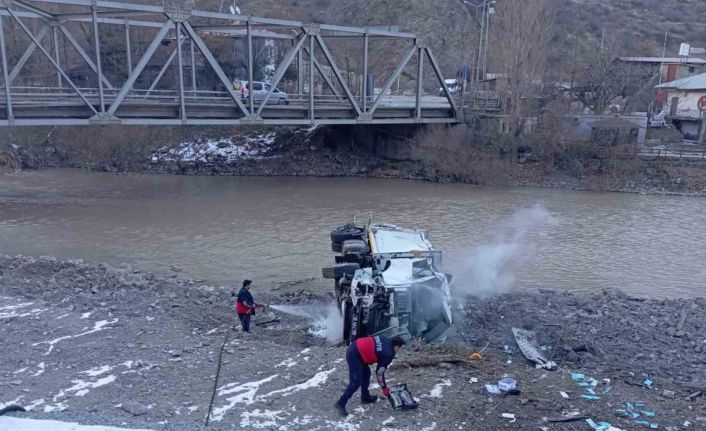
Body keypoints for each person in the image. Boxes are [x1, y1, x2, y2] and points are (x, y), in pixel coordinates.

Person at [335, 335, 405, 416]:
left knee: (366, 374)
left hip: (357, 347)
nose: (400, 350)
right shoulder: (388, 354)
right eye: (400, 348)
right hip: (355, 354)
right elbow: (379, 372)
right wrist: (384, 388)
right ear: (396, 346)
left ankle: (365, 397)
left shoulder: (386, 339)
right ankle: (341, 403)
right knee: (356, 382)